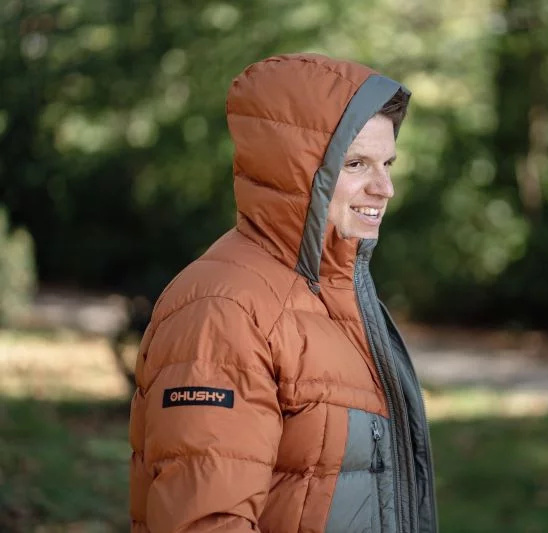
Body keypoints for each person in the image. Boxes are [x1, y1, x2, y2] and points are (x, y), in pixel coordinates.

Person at [128, 53, 437, 533]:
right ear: (293, 172)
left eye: (387, 164)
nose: (385, 188)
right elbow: (205, 522)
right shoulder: (224, 309)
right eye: (357, 164)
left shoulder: (333, 297)